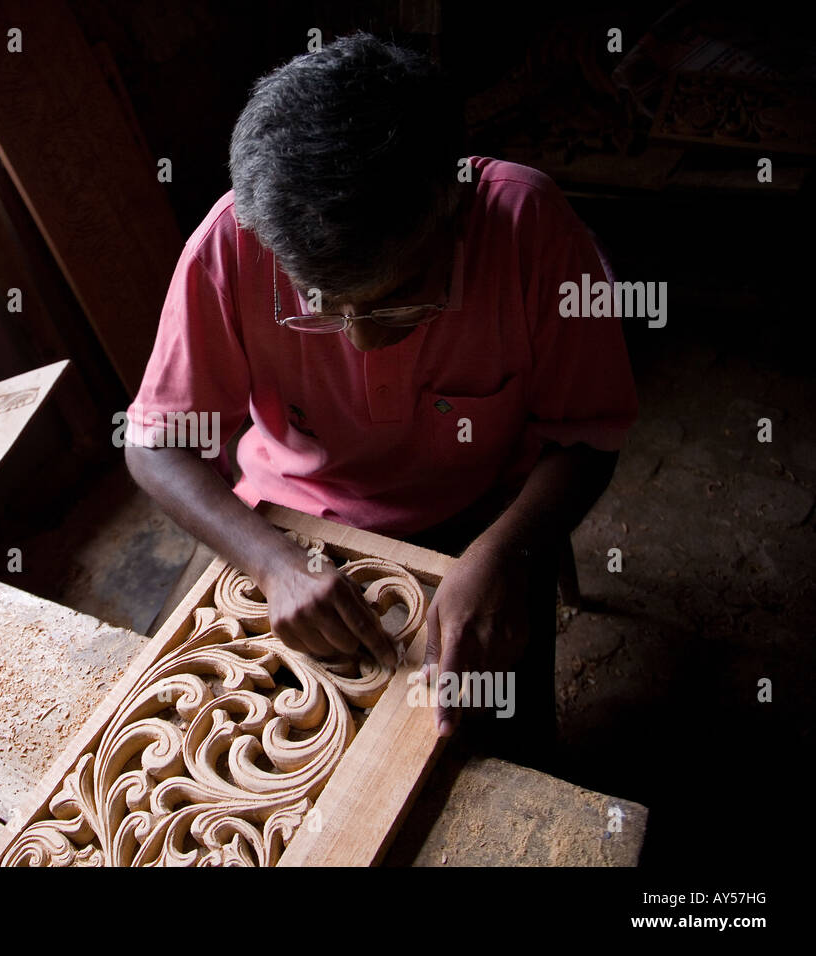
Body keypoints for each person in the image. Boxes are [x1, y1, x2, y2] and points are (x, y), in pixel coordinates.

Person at [123, 33, 637, 767]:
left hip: (483, 515)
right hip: (295, 521)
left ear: (454, 206)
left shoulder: (529, 228)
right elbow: (153, 442)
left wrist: (510, 549)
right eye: (323, 307)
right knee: (230, 745)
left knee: (489, 760)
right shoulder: (233, 241)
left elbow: (589, 435)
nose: (360, 341)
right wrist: (271, 562)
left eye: (398, 300)